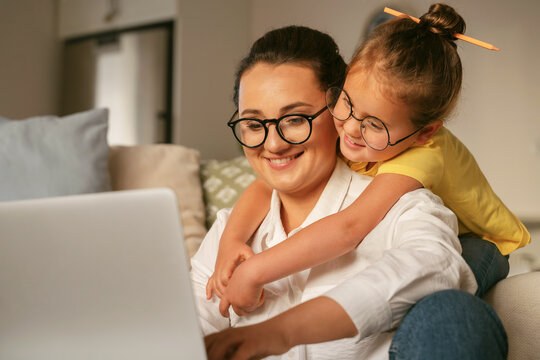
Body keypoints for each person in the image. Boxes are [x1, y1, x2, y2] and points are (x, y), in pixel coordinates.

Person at [191, 25, 504, 360]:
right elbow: (187, 335)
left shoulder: (402, 202)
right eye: (253, 125)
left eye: (295, 119)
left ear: (333, 104)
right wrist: (231, 240)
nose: (273, 143)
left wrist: (280, 330)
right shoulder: (229, 234)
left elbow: (430, 263)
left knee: (456, 314)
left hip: (484, 249)